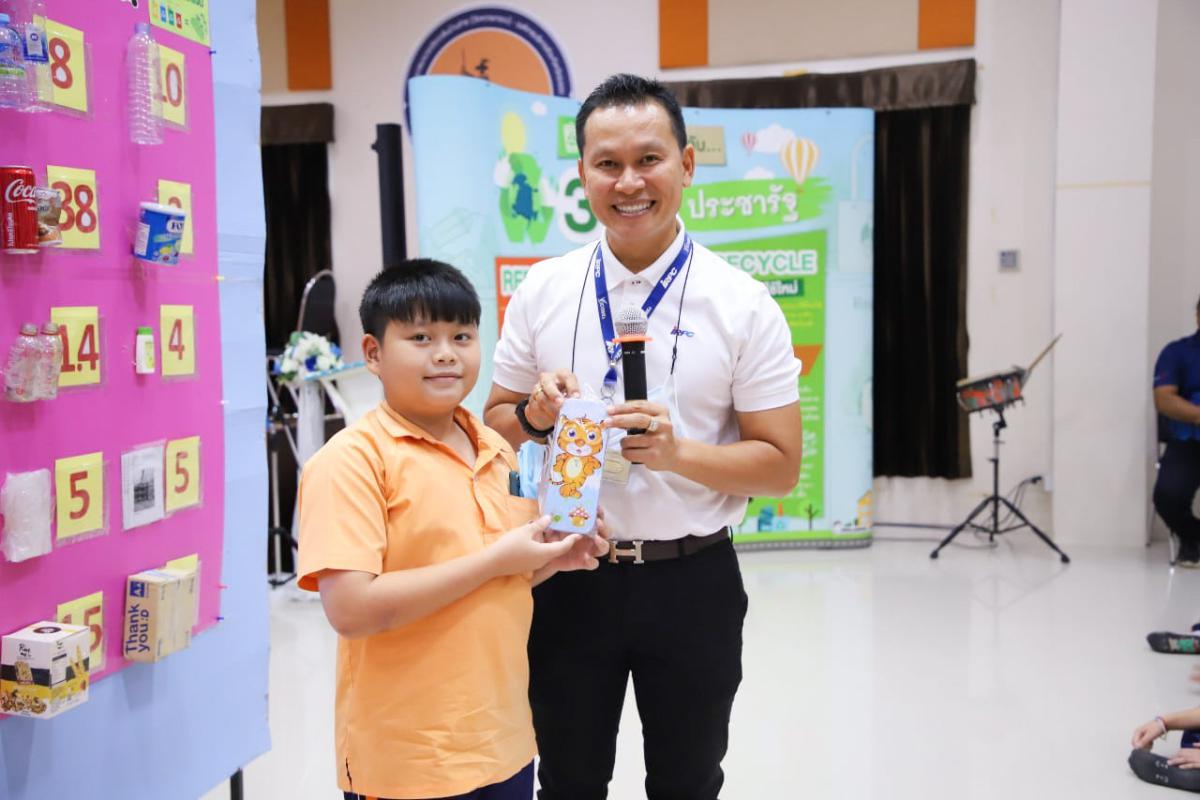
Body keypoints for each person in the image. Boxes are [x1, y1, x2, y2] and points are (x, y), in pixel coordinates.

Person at [484, 74, 803, 800]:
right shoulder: (544, 289)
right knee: (567, 781)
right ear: (583, 174)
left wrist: (678, 454)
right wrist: (535, 415)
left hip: (692, 580)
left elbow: (780, 465)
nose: (628, 183)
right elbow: (494, 426)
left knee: (688, 782)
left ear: (686, 165)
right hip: (564, 572)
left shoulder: (742, 303)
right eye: (608, 164)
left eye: (649, 159)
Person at [297, 260, 606, 800]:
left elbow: (492, 582)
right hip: (408, 761)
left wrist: (548, 562)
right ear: (373, 353)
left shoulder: (496, 448)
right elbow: (351, 609)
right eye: (421, 338)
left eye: (461, 336)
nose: (445, 353)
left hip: (504, 743)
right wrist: (496, 561)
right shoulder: (351, 461)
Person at [1146, 295, 1200, 654]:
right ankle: (1193, 537)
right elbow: (1164, 399)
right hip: (1189, 441)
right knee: (1167, 495)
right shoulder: (1177, 352)